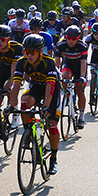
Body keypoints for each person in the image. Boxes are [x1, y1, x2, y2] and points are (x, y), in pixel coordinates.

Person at [9, 34, 61, 174]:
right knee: (25, 103)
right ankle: (29, 132)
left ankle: (54, 157)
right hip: (36, 86)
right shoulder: (22, 62)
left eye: (32, 52)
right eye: (26, 52)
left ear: (40, 52)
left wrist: (46, 107)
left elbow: (50, 87)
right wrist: (11, 107)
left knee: (52, 123)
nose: (29, 55)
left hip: (52, 89)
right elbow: (16, 85)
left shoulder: (49, 62)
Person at [54, 26, 90, 129]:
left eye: (74, 39)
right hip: (68, 65)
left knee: (80, 90)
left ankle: (81, 117)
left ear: (78, 38)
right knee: (64, 76)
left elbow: (83, 63)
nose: (71, 41)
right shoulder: (61, 45)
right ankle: (68, 95)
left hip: (79, 68)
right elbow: (57, 62)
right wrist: (56, 73)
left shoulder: (82, 46)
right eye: (68, 38)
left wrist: (82, 77)